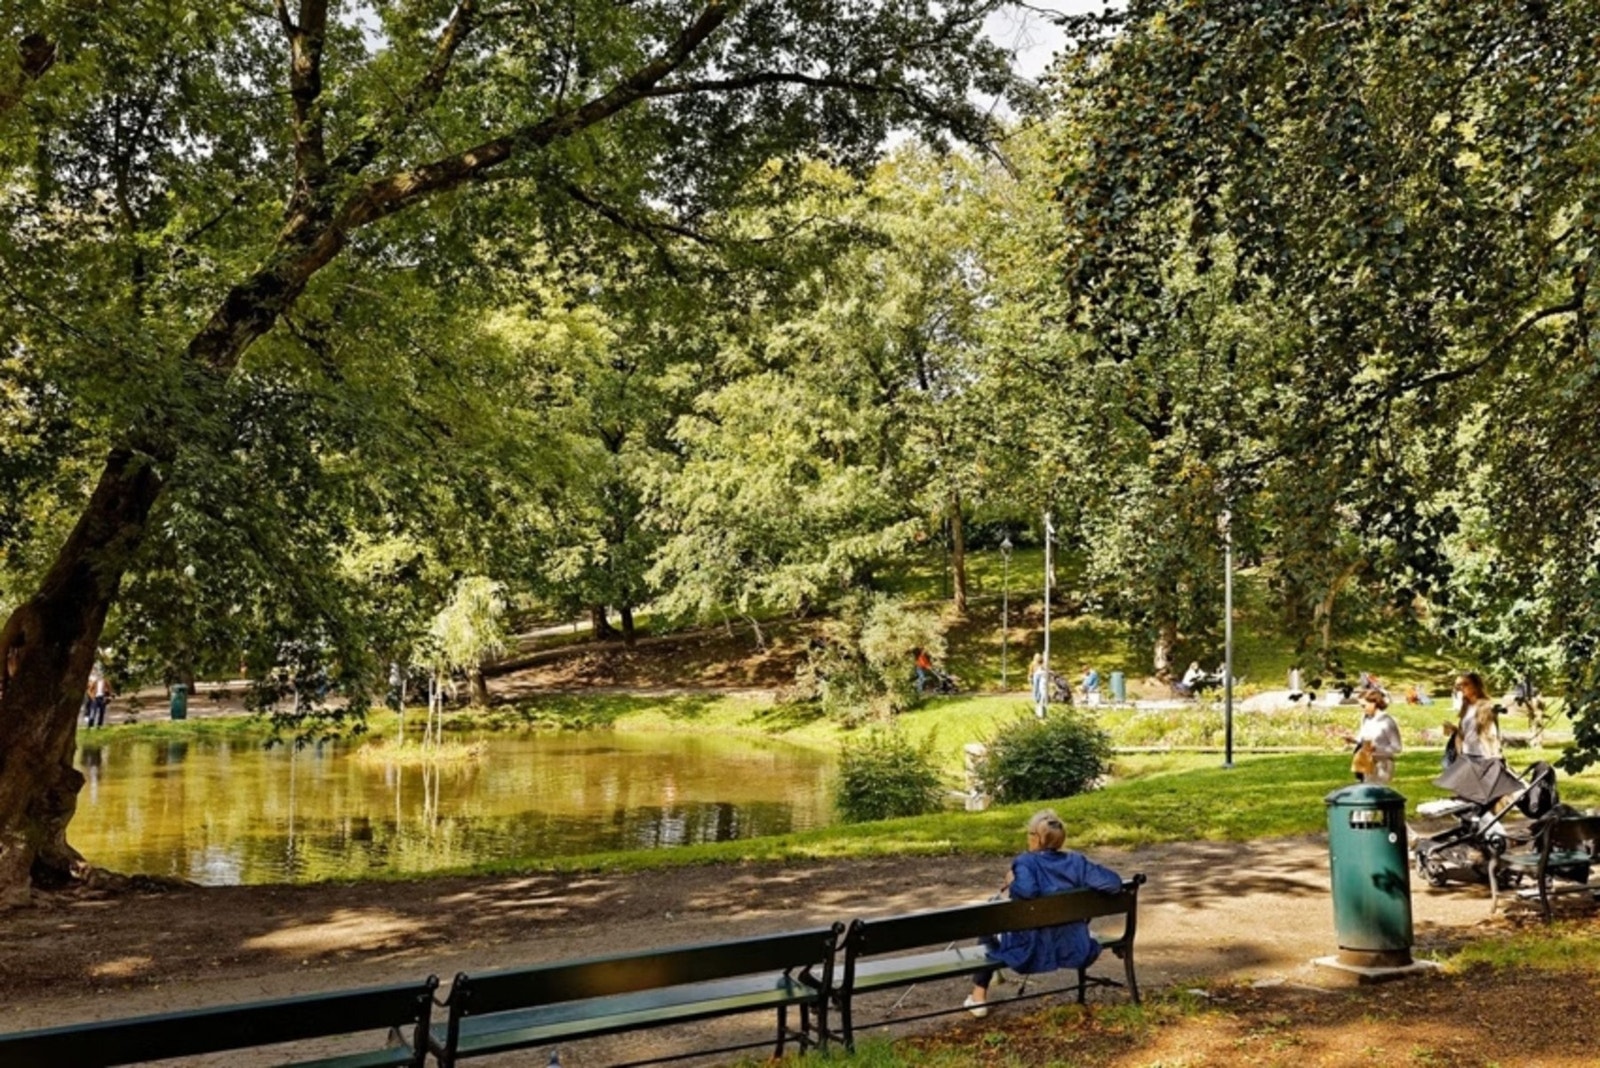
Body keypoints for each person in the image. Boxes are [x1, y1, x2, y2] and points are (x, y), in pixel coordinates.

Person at [965, 809, 1123, 1017]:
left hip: (1032, 946)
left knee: (989, 924)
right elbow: (1113, 883)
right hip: (1071, 942)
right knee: (998, 925)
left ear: (1036, 839)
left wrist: (1012, 880)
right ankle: (992, 977)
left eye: (1029, 834)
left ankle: (978, 997)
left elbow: (1029, 891)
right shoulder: (1076, 861)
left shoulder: (1026, 862)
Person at [1343, 689, 1403, 784]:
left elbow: (1397, 747)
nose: (1362, 709)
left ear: (1374, 703)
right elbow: (1363, 739)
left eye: (1364, 706)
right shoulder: (1366, 718)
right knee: (1365, 792)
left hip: (1382, 765)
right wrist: (1353, 739)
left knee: (1376, 793)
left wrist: (1377, 749)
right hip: (1365, 761)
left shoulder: (1386, 721)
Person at [1446, 671, 1501, 762]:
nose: (1462, 688)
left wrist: (1494, 754)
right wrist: (1454, 729)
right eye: (1460, 685)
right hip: (1467, 754)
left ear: (1476, 687)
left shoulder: (1486, 707)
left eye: (1466, 684)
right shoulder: (1466, 706)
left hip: (1482, 756)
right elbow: (1466, 731)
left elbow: (1490, 733)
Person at [1029, 653, 1047, 718]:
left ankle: (1041, 701)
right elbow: (1031, 671)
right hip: (1036, 675)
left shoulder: (1043, 664)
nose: (1037, 659)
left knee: (1041, 689)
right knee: (1036, 689)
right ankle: (1037, 700)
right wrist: (1030, 677)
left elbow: (1045, 669)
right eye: (1036, 658)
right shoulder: (1033, 664)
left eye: (1038, 657)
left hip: (1041, 675)